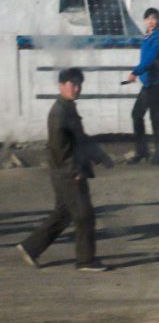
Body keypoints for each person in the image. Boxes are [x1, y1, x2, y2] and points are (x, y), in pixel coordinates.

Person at [16, 68, 113, 272]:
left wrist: (101, 156)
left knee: (63, 214)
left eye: (78, 85)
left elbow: (80, 138)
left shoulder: (67, 108)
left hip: (65, 171)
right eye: (72, 84)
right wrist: (76, 170)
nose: (76, 89)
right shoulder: (59, 113)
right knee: (84, 215)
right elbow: (60, 150)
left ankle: (30, 248)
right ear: (61, 86)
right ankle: (86, 260)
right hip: (68, 173)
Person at [125, 7, 159, 164]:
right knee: (137, 114)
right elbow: (145, 59)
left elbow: (150, 59)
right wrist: (141, 74)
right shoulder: (148, 36)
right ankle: (142, 151)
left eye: (154, 18)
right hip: (149, 83)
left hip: (158, 83)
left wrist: (136, 72)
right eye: (148, 18)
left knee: (155, 117)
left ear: (158, 20)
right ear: (145, 20)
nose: (151, 21)